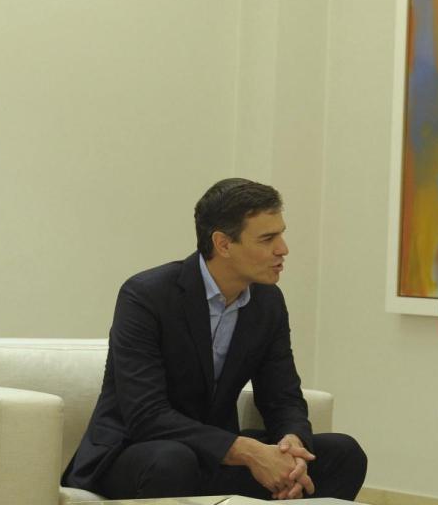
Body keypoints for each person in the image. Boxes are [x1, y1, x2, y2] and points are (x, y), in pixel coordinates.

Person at [63, 178, 366, 500]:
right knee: (172, 459)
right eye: (267, 238)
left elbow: (282, 397)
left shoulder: (268, 302)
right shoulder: (146, 295)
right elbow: (147, 416)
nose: (283, 249)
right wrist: (246, 451)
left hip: (215, 454)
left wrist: (292, 444)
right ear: (223, 244)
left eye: (281, 234)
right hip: (136, 453)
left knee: (343, 452)